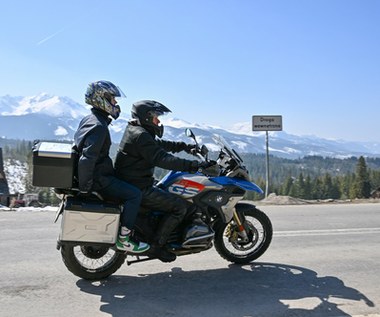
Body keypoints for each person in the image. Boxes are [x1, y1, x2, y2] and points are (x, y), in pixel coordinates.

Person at [114, 100, 214, 262]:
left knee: (168, 188)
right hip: (138, 186)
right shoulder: (140, 135)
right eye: (155, 117)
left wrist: (185, 147)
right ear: (146, 117)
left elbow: (159, 145)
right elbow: (163, 158)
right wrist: (195, 166)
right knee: (180, 207)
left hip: (134, 181)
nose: (158, 121)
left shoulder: (137, 131)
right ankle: (157, 247)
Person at [74, 80, 149, 254]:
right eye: (113, 100)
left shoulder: (90, 119)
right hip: (101, 179)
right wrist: (85, 188)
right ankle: (124, 238)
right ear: (102, 99)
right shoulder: (99, 126)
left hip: (99, 175)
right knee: (134, 195)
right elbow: (87, 158)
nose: (115, 104)